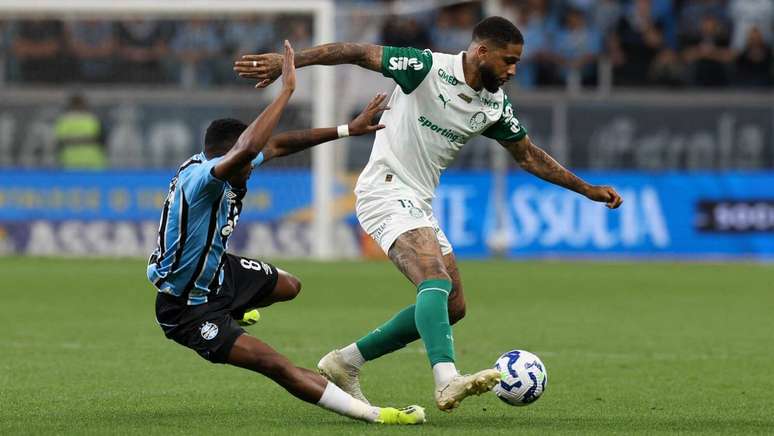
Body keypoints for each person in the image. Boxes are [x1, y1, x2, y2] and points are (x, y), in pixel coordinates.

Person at [235, 18, 623, 412]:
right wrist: (291, 62)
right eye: (508, 61)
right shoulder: (425, 67)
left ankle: (345, 362)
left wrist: (586, 188)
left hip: (417, 201)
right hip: (384, 189)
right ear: (481, 52)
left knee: (453, 305)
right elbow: (355, 52)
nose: (513, 71)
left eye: (517, 63)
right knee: (433, 278)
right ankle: (447, 380)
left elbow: (527, 155)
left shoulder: (494, 104)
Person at [148, 40, 424, 426]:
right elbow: (248, 148)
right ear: (228, 157)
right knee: (274, 363)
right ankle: (374, 415)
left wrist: (349, 128)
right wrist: (288, 91)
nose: (253, 168)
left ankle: (234, 308)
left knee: (288, 286)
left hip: (217, 272)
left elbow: (274, 144)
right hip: (187, 306)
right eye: (247, 163)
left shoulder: (218, 163)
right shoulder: (203, 181)